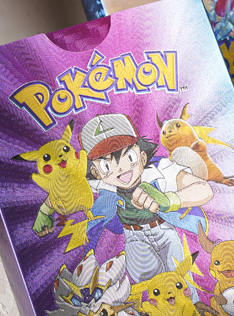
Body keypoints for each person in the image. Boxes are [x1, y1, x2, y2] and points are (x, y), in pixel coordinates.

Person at [81, 113, 212, 283]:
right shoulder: (101, 185)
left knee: (182, 280)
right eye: (107, 165)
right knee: (150, 283)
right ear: (96, 172)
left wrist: (169, 200)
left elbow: (204, 189)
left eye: (129, 157)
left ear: (142, 156)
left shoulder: (160, 170)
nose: (121, 168)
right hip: (134, 238)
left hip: (164, 231)